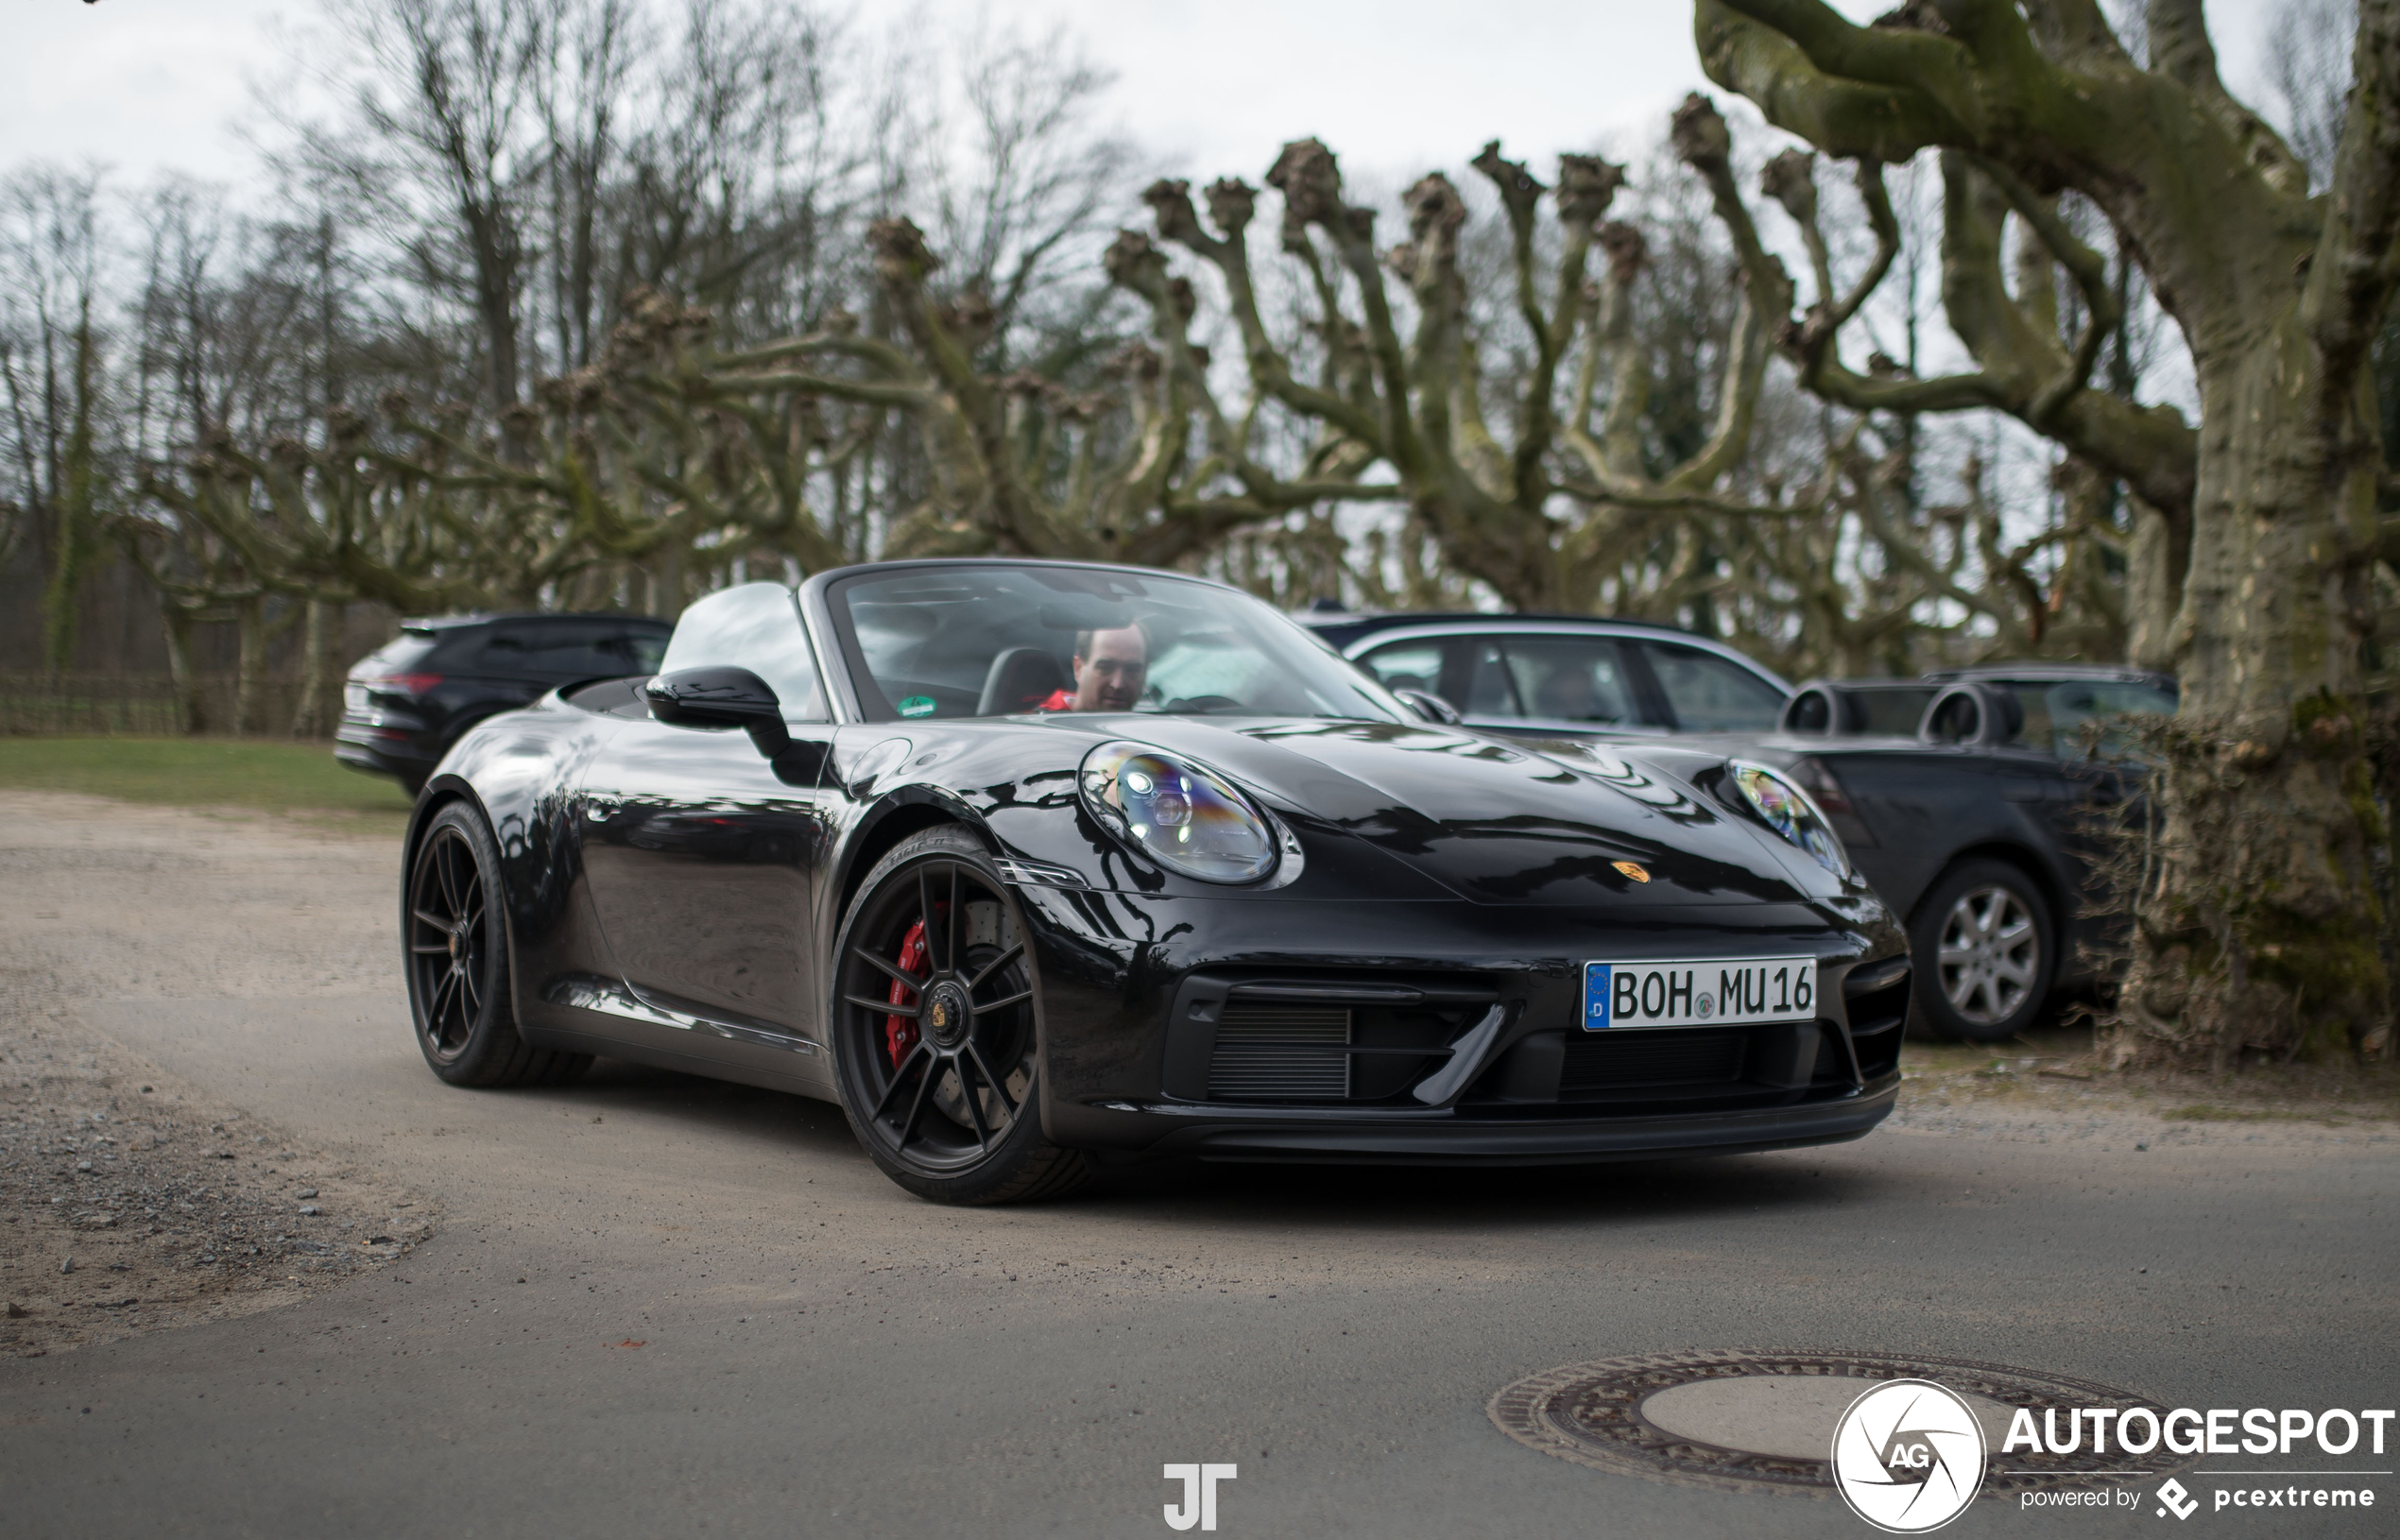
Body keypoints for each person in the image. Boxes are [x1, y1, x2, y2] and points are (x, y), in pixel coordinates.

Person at [1039, 624, 1147, 711]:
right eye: (1105, 668)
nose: (1117, 684)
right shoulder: (1040, 729)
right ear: (1078, 668)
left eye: (1132, 671)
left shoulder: (1151, 730)